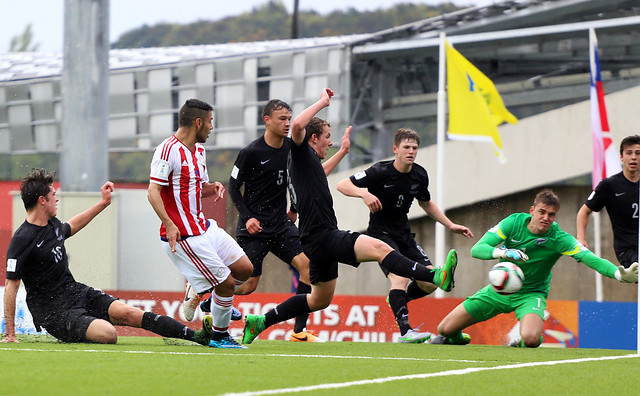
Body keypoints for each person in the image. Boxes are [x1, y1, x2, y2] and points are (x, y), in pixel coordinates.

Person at [241, 88, 459, 344]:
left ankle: (260, 322)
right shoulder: (299, 151)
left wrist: (343, 151)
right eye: (327, 138)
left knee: (318, 300)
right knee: (379, 247)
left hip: (315, 239)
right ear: (313, 138)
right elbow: (298, 124)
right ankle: (434, 275)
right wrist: (323, 102)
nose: (330, 142)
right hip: (322, 235)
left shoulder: (307, 161)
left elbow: (320, 172)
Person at [2, 169, 213, 346]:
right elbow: (11, 287)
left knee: (130, 313)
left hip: (75, 292)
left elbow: (73, 225)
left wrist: (103, 203)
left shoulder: (52, 225)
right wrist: (10, 333)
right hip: (52, 312)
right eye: (53, 194)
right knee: (108, 334)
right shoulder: (22, 239)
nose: (57, 198)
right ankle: (75, 329)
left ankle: (197, 337)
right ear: (42, 200)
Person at [431, 189, 638, 347]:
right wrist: (503, 253)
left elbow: (590, 258)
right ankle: (456, 337)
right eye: (542, 212)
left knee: (530, 338)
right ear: (532, 211)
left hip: (531, 294)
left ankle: (524, 339)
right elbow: (478, 249)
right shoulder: (513, 223)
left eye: (551, 214)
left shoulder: (558, 238)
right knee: (443, 328)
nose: (546, 218)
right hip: (498, 290)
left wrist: (618, 274)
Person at [225, 98, 347, 343]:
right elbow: (233, 186)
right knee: (248, 285)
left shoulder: (293, 147)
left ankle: (298, 331)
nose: (287, 123)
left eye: (289, 119)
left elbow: (307, 176)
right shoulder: (251, 152)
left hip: (281, 224)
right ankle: (207, 290)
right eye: (282, 119)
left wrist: (294, 207)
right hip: (254, 228)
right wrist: (247, 218)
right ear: (266, 120)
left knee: (307, 267)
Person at [336, 128, 473, 343]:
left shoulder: (419, 174)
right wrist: (364, 193)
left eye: (414, 148)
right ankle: (405, 331)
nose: (411, 151)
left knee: (429, 282)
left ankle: (398, 300)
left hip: (404, 235)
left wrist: (450, 224)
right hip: (380, 236)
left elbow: (426, 203)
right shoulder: (380, 171)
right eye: (406, 147)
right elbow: (342, 184)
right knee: (399, 279)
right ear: (395, 149)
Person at [148, 98, 253, 349]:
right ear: (198, 122)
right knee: (226, 283)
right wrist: (169, 223)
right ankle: (219, 336)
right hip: (183, 236)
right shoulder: (167, 150)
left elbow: (194, 188)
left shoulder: (200, 151)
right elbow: (153, 192)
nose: (212, 127)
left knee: (245, 270)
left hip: (203, 227)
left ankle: (202, 294)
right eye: (210, 122)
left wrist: (211, 187)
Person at [577, 135, 640, 268]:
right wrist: (581, 238)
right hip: (627, 250)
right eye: (629, 153)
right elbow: (584, 211)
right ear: (621, 157)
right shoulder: (609, 185)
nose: (633, 157)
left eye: (638, 153)